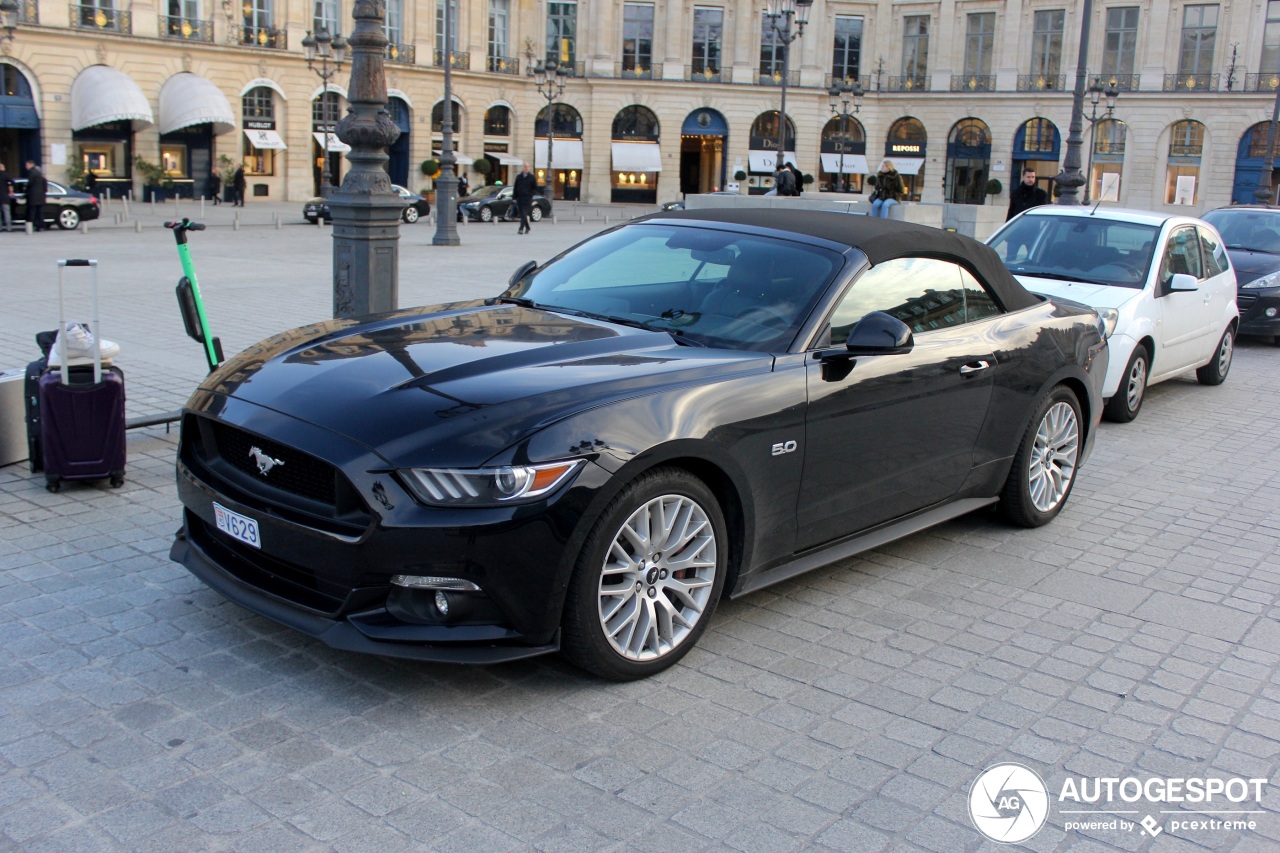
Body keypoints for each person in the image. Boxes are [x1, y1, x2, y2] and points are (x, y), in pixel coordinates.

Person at [513, 162, 536, 235]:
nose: (526, 168)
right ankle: (528, 227)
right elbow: (515, 187)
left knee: (524, 213)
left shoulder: (532, 177)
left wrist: (530, 195)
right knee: (522, 214)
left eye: (528, 167)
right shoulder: (519, 177)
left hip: (527, 199)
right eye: (525, 167)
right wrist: (514, 197)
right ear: (523, 167)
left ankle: (520, 229)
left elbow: (535, 188)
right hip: (520, 198)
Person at [24, 160, 48, 231]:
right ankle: (40, 226)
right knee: (40, 212)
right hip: (41, 197)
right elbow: (45, 188)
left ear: (30, 165)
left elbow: (30, 184)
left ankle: (32, 225)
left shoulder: (31, 173)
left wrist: (25, 189)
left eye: (27, 165)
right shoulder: (42, 178)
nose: (26, 167)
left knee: (32, 212)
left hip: (33, 196)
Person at [0, 162, 12, 232]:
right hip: (5, 197)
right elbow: (12, 182)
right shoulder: (5, 175)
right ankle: (8, 227)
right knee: (7, 212)